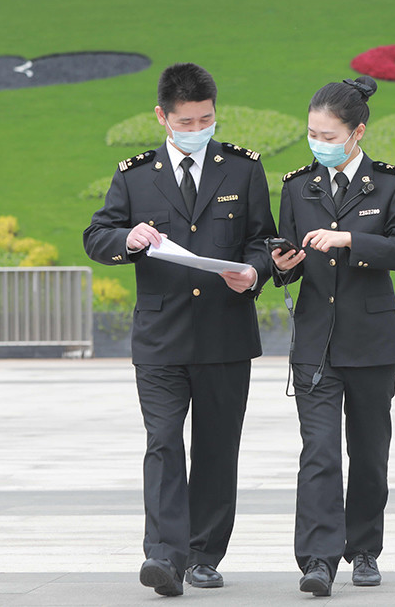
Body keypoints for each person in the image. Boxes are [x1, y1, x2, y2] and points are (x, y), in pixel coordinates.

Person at [83, 63, 276, 597]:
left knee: (217, 447)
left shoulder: (242, 169)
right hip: (161, 338)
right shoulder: (135, 174)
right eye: (186, 120)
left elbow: (264, 238)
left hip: (224, 334)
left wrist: (255, 271)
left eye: (206, 118)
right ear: (162, 117)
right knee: (163, 441)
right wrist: (130, 238)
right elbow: (97, 235)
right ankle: (164, 555)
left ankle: (205, 554)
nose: (197, 128)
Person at [271, 75, 395, 597]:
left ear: (357, 132)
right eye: (312, 133)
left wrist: (351, 238)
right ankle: (317, 559)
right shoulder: (296, 186)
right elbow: (289, 261)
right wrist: (282, 265)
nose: (319, 143)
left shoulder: (392, 184)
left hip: (372, 341)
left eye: (329, 135)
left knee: (369, 451)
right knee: (319, 452)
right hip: (314, 343)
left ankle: (364, 550)